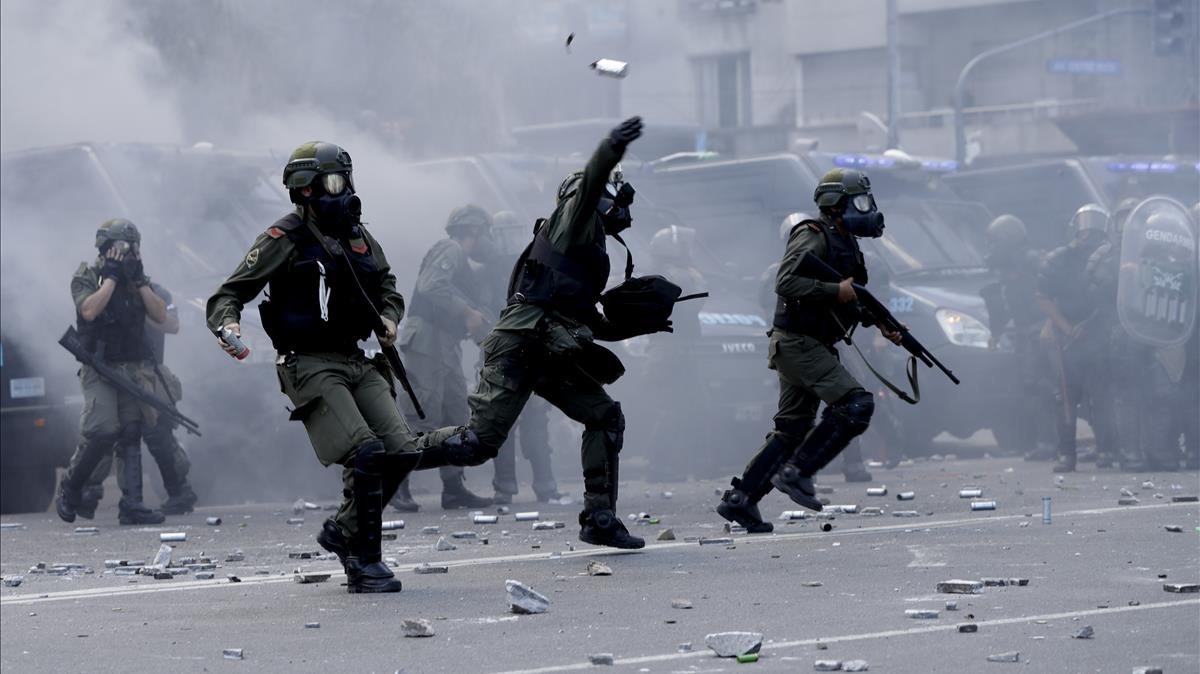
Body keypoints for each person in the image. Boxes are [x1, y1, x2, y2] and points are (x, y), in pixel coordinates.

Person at [206, 141, 446, 593]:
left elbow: (388, 283)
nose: (343, 192)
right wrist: (228, 329)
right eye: (333, 183)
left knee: (403, 450)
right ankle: (365, 562)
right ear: (307, 190)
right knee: (367, 452)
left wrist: (390, 317)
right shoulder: (284, 238)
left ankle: (343, 531)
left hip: (354, 357)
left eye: (346, 181)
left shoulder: (358, 235)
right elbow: (230, 293)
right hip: (308, 361)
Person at [412, 117, 655, 549]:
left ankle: (599, 519)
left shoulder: (584, 243)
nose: (620, 208)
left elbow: (577, 312)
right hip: (522, 345)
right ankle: (383, 458)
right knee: (477, 443)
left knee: (604, 416)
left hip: (546, 347)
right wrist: (612, 146)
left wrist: (633, 322)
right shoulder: (573, 218)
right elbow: (592, 181)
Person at [718, 169, 897, 534]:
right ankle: (798, 473)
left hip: (807, 344)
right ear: (835, 205)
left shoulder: (844, 242)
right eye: (858, 201)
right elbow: (787, 280)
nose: (867, 208)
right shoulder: (813, 234)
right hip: (799, 343)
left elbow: (848, 300)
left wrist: (881, 323)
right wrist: (837, 292)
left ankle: (742, 499)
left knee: (792, 429)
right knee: (856, 405)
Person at [55, 218, 169, 526]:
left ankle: (132, 504)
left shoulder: (135, 280)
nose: (128, 253)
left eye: (133, 248)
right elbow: (89, 310)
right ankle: (72, 488)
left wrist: (141, 280)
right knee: (103, 430)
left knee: (132, 430)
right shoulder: (88, 276)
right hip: (99, 367)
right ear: (106, 249)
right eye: (121, 247)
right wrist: (111, 279)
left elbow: (160, 316)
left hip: (131, 367)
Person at [388, 205, 496, 512]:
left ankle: (453, 489)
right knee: (422, 412)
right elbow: (431, 286)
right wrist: (467, 312)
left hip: (445, 343)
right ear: (473, 230)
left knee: (456, 412)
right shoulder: (450, 249)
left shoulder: (461, 262)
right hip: (428, 339)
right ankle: (396, 485)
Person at [761, 214, 875, 482]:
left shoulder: (829, 268)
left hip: (826, 341)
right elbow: (778, 302)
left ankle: (842, 465)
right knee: (847, 403)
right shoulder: (780, 273)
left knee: (845, 402)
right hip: (798, 344)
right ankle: (796, 471)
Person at [77, 281, 198, 518]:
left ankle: (179, 492)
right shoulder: (106, 293)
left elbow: (172, 325)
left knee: (159, 434)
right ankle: (105, 496)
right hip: (121, 374)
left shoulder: (157, 292)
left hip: (151, 373)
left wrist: (138, 312)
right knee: (120, 436)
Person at [487, 211, 564, 505]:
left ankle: (544, 485)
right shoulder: (487, 271)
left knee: (535, 421)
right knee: (502, 421)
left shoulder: (532, 264)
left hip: (529, 349)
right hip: (504, 352)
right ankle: (506, 488)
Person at [1036, 204, 1117, 473]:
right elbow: (1043, 297)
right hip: (1066, 340)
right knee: (1066, 399)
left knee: (1102, 397)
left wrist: (1092, 323)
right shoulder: (1059, 259)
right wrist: (1067, 327)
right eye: (1086, 228)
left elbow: (1114, 298)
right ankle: (1066, 454)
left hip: (1099, 335)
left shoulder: (1110, 258)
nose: (1089, 235)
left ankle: (1106, 450)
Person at [980, 214, 1055, 460]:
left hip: (1042, 332)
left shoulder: (1033, 262)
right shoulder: (1006, 270)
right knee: (1029, 389)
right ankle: (1031, 441)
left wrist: (1050, 324)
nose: (990, 249)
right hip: (1025, 336)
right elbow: (1003, 306)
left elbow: (1053, 294)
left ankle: (1049, 443)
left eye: (994, 242)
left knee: (1045, 388)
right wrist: (996, 333)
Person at [641, 224, 709, 481]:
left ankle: (670, 465)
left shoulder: (664, 274)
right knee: (673, 410)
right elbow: (694, 304)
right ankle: (659, 467)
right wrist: (698, 278)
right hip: (671, 352)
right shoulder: (674, 276)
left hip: (672, 351)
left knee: (681, 409)